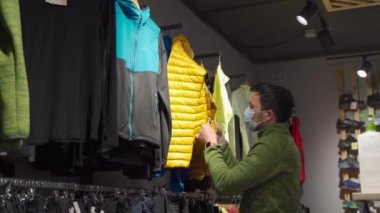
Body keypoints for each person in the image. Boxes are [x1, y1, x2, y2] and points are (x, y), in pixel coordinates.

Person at [196, 82, 301, 212]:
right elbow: (240, 177)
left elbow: (225, 183)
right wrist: (221, 141)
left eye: (252, 107)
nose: (248, 111)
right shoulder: (279, 141)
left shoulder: (273, 145)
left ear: (268, 115)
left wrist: (210, 144)